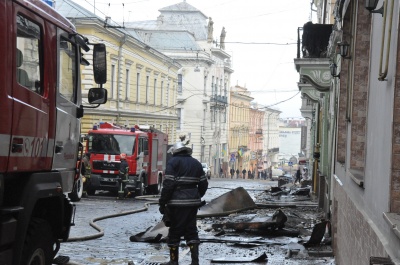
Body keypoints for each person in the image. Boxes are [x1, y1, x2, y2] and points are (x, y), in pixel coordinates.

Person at [159, 141, 208, 265]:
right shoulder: (196, 163)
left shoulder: (173, 162)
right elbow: (203, 184)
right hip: (193, 204)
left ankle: (173, 261)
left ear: (175, 152)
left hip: (176, 204)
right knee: (191, 230)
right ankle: (195, 262)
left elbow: (168, 184)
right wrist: (197, 196)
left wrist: (162, 202)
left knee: (175, 231)